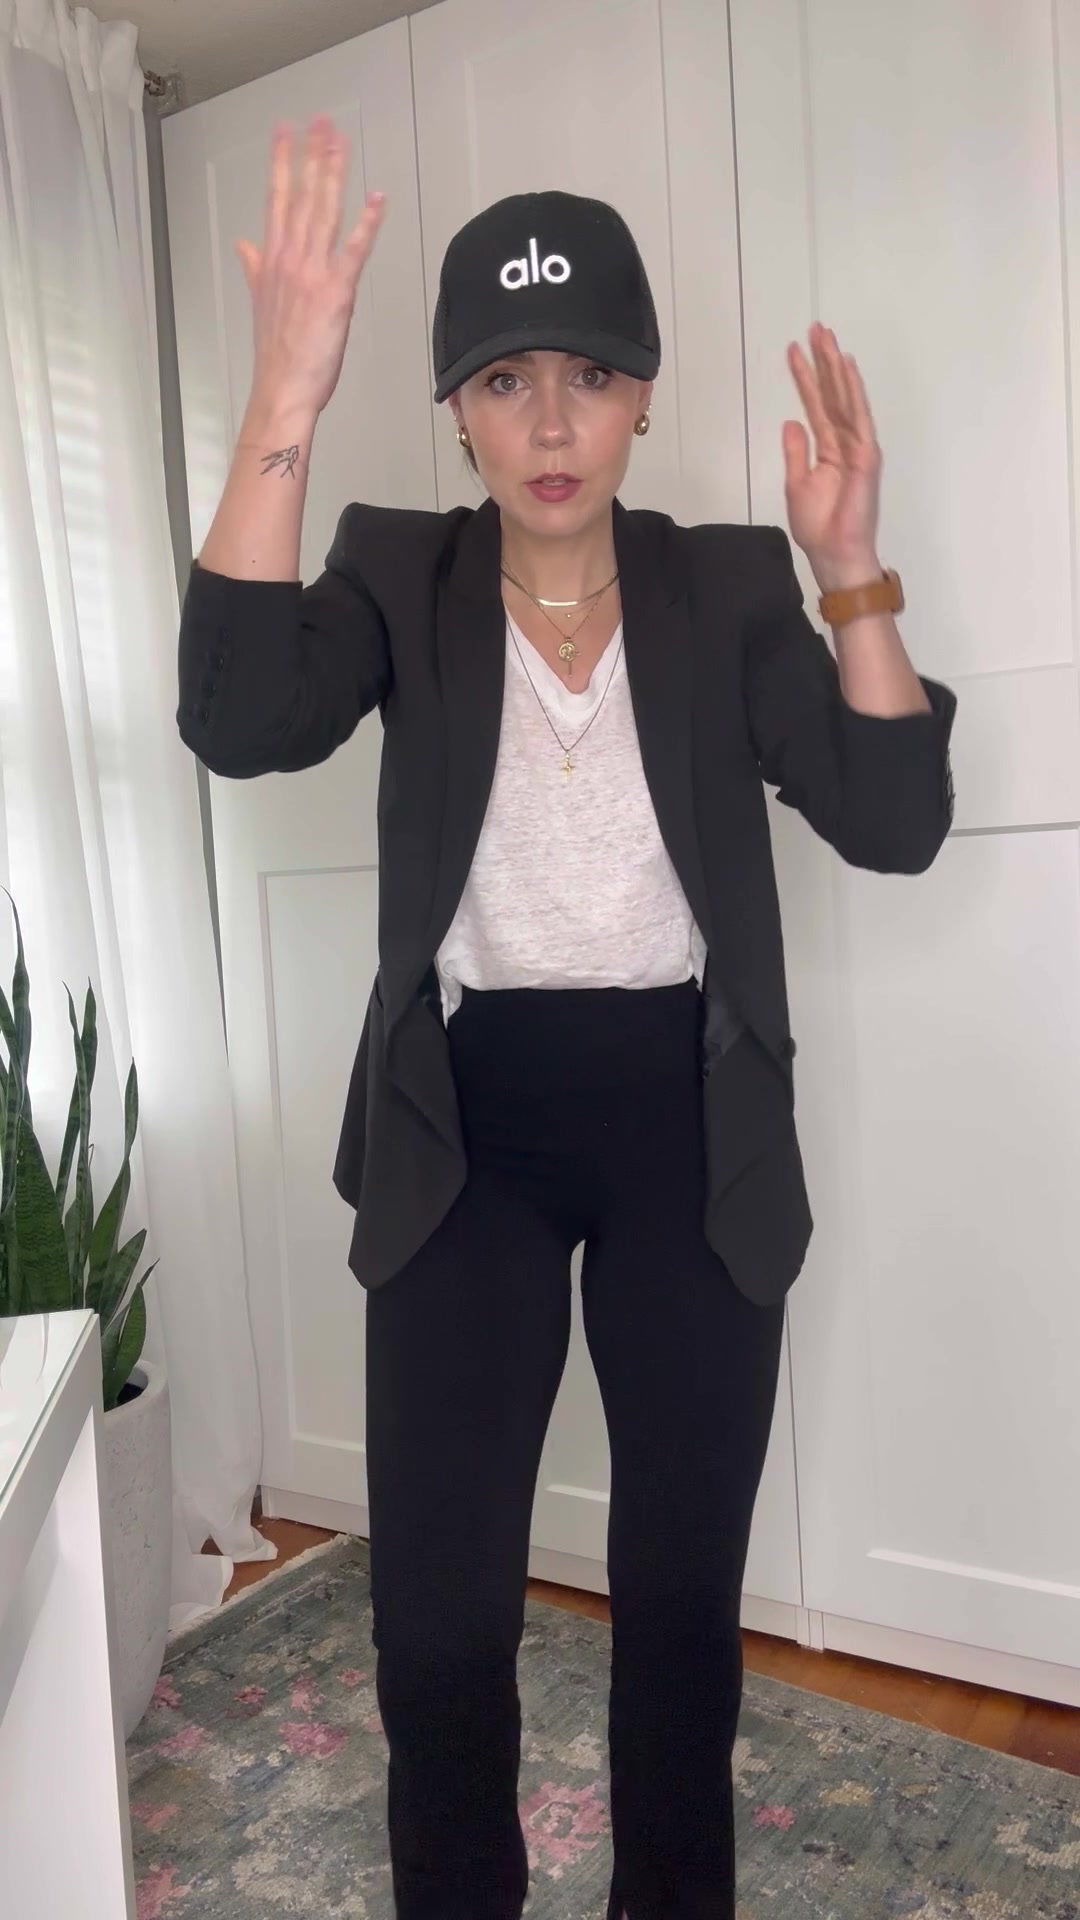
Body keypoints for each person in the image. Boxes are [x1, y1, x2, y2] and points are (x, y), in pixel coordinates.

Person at [177, 115, 956, 1920]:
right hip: (470, 1128)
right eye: (506, 380)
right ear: (457, 406)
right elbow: (237, 712)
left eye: (589, 377)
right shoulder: (399, 572)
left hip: (691, 1119)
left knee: (679, 1611)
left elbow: (896, 818)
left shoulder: (727, 587)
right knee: (439, 1617)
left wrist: (849, 565)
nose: (549, 423)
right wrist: (287, 392)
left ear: (642, 397)